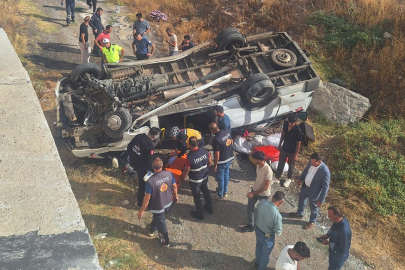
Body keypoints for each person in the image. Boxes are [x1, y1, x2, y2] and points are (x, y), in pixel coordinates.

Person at [138, 157, 178, 247]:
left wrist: (141, 210)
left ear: (153, 166)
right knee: (158, 219)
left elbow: (147, 198)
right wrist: (175, 196)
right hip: (168, 203)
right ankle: (152, 230)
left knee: (162, 225)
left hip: (158, 207)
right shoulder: (169, 173)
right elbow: (174, 186)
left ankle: (165, 242)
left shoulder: (150, 181)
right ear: (162, 165)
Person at [289, 152, 331, 230]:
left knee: (314, 207)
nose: (311, 163)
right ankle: (299, 213)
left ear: (319, 162)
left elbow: (325, 187)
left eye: (313, 162)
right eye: (311, 161)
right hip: (305, 186)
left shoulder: (325, 172)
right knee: (301, 200)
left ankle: (312, 221)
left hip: (314, 192)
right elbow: (306, 171)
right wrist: (300, 179)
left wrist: (321, 200)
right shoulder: (311, 162)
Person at [179, 136, 213, 220]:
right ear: (198, 143)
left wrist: (181, 179)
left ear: (189, 145)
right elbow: (210, 162)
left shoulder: (190, 157)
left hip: (195, 181)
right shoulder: (205, 151)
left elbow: (186, 170)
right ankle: (210, 208)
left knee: (197, 197)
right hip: (204, 177)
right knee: (206, 192)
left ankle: (200, 214)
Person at [127, 127, 160, 207]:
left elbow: (129, 146)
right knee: (142, 185)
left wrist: (129, 156)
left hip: (133, 162)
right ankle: (140, 203)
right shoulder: (149, 145)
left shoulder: (139, 136)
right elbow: (149, 160)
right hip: (141, 167)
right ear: (155, 136)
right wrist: (151, 170)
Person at [241, 151, 272, 232]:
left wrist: (253, 193)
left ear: (259, 160)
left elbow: (266, 187)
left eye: (255, 159)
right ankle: (251, 225)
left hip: (264, 194)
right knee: (250, 208)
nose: (253, 160)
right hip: (255, 189)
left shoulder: (268, 170)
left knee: (264, 212)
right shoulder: (258, 165)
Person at [255, 191, 285, 270]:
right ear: (281, 202)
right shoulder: (277, 216)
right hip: (267, 237)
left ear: (272, 197)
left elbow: (257, 210)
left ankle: (257, 263)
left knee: (258, 246)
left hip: (257, 230)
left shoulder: (262, 202)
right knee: (265, 254)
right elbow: (278, 231)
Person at [275, 113, 302, 187]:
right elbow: (283, 134)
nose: (290, 124)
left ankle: (289, 178)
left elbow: (298, 144)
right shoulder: (286, 124)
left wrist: (296, 155)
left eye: (292, 123)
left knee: (291, 165)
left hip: (292, 151)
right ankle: (277, 176)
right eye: (289, 122)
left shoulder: (298, 131)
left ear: (295, 122)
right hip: (284, 148)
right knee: (281, 163)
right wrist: (280, 144)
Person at [208, 122, 234, 200]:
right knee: (226, 175)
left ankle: (220, 195)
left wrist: (215, 164)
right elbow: (231, 141)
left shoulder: (216, 139)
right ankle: (225, 191)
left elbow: (217, 154)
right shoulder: (226, 131)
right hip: (229, 157)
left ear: (212, 131)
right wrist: (228, 150)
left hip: (222, 161)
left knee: (220, 178)